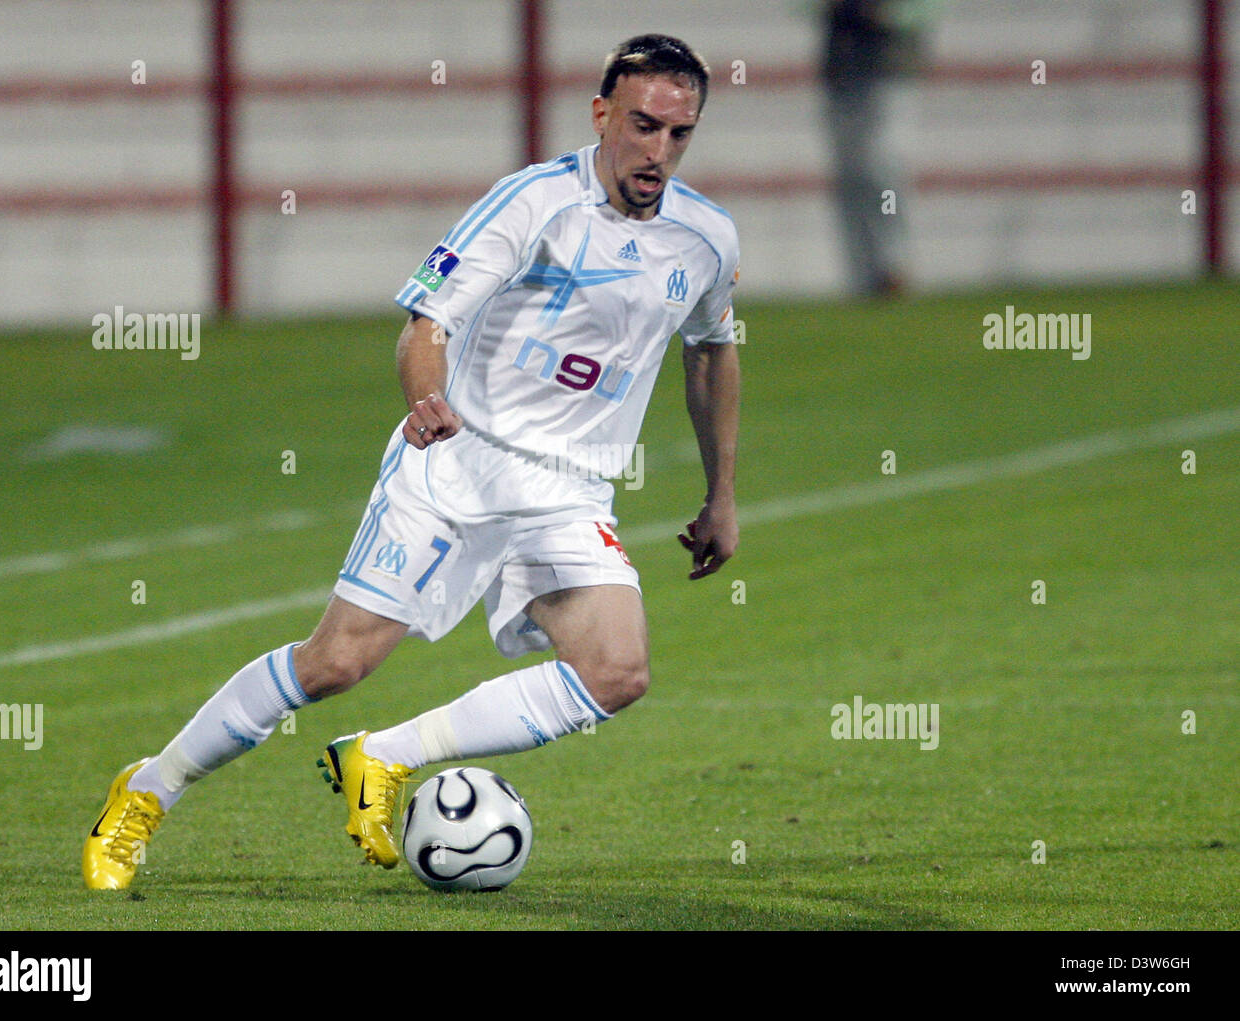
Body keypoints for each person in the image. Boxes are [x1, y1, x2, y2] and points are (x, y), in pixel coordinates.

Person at [83, 33, 741, 889]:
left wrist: (721, 490)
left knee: (618, 672)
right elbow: (427, 324)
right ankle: (148, 786)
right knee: (335, 663)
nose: (658, 152)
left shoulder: (706, 238)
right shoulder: (531, 205)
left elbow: (712, 350)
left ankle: (383, 755)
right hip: (457, 462)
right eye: (644, 126)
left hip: (567, 490)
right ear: (602, 113)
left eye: (679, 134)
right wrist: (426, 398)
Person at [814, 0, 937, 296]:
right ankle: (864, 273)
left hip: (887, 71)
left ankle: (894, 264)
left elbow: (919, 12)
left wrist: (882, 14)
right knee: (852, 177)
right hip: (843, 73)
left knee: (881, 168)